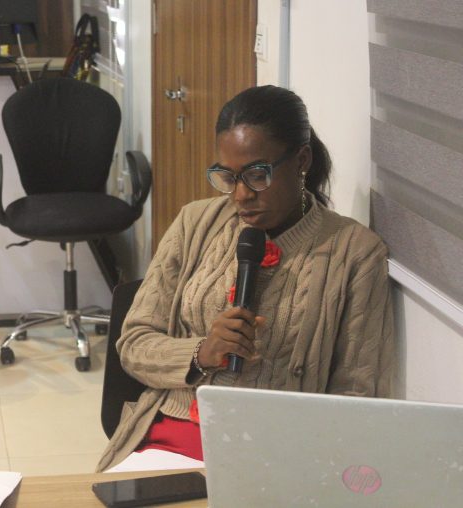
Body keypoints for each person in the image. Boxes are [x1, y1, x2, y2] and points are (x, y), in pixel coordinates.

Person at [97, 85, 394, 472]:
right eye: (228, 176)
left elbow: (357, 395)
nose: (240, 195)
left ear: (301, 160)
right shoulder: (195, 223)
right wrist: (202, 353)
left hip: (280, 454)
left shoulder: (355, 253)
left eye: (256, 175)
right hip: (175, 435)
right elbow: (134, 345)